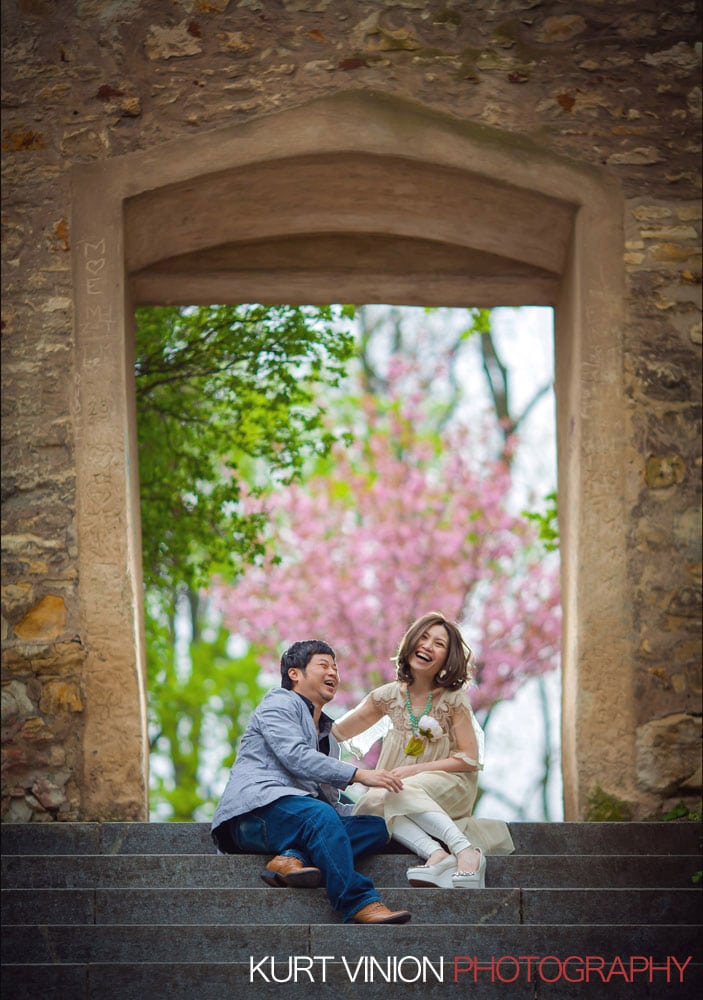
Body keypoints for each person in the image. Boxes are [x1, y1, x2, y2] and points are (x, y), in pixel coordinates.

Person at [210, 639, 412, 924]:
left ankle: (293, 858)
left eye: (336, 668)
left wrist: (375, 808)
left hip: (298, 819)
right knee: (319, 816)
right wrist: (358, 775)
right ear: (295, 673)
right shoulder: (278, 703)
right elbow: (295, 756)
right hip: (255, 814)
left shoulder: (328, 739)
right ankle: (356, 901)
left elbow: (328, 800)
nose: (333, 673)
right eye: (324, 665)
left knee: (375, 827)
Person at [332, 612, 514, 889]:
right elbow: (336, 731)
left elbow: (469, 758)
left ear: (447, 658)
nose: (428, 646)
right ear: (412, 642)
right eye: (424, 637)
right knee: (370, 804)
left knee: (397, 789)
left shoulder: (453, 700)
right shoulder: (387, 696)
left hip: (450, 783)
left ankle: (466, 852)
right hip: (399, 786)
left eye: (439, 644)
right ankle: (436, 855)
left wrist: (413, 769)